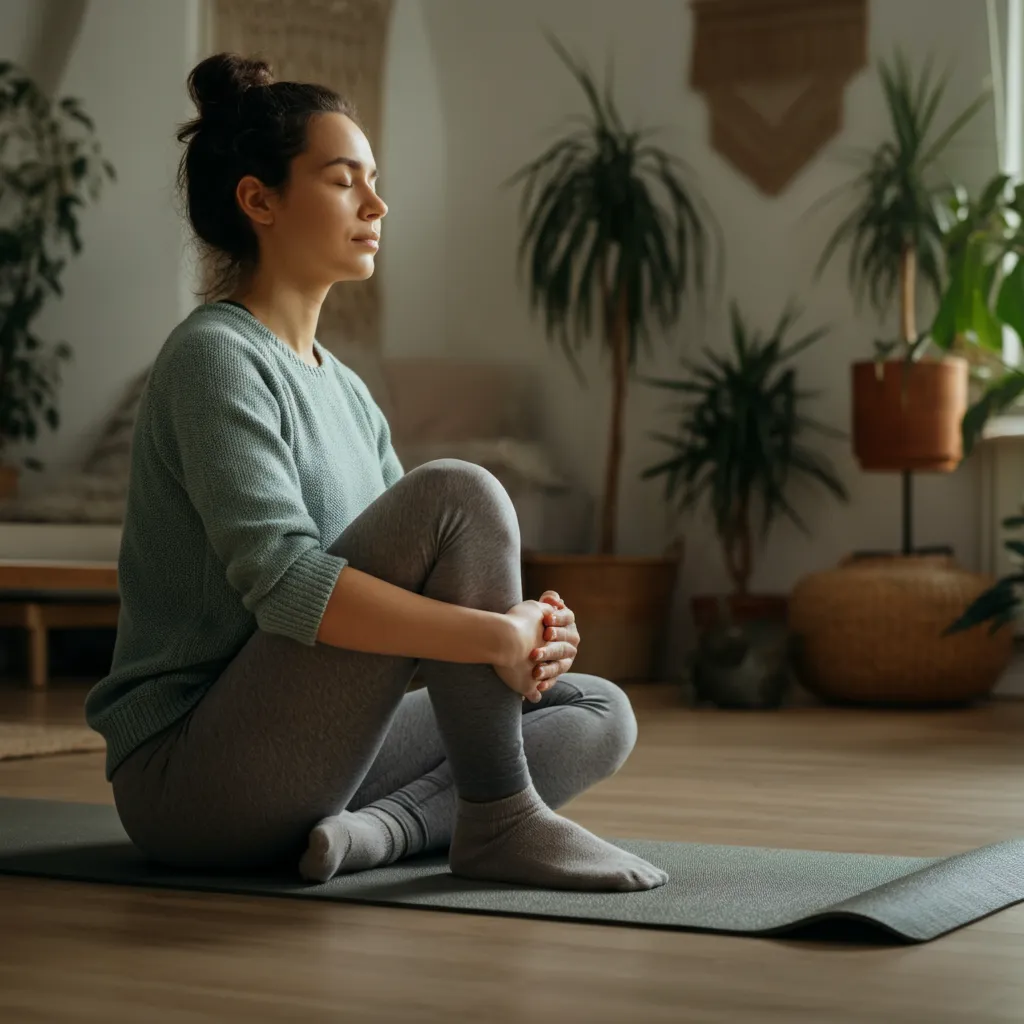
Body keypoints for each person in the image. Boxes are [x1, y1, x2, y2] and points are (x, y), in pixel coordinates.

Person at [84, 53, 666, 893]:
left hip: (319, 754)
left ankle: (376, 837)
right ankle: (498, 820)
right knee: (460, 493)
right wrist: (492, 634)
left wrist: (518, 635)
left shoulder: (348, 392)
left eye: (375, 181)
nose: (376, 204)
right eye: (343, 180)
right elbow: (287, 587)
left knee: (598, 712)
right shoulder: (212, 360)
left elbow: (419, 623)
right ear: (259, 200)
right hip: (196, 780)